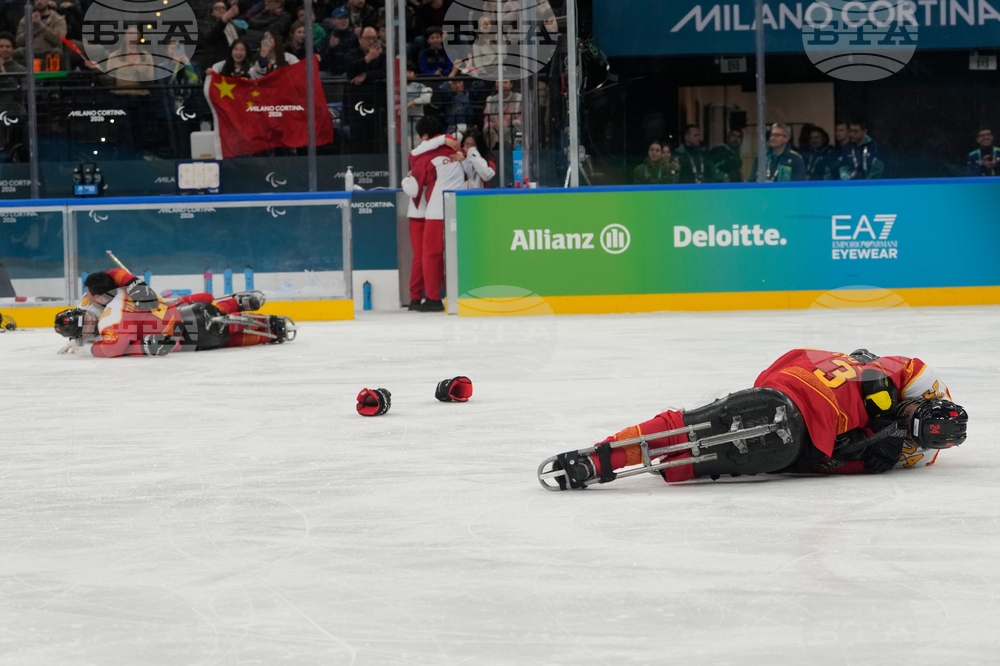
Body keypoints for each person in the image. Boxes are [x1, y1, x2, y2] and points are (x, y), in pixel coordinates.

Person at [542, 349, 968, 491]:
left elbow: (855, 462)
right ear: (925, 402)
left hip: (795, 410)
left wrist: (831, 460)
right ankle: (612, 453)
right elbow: (875, 373)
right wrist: (881, 422)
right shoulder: (923, 380)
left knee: (703, 439)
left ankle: (620, 458)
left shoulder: (917, 454)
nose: (908, 415)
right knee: (699, 428)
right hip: (800, 399)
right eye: (914, 412)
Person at [54, 269, 293, 357]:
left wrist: (88, 348)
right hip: (184, 311)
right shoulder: (116, 294)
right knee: (196, 306)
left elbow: (115, 347)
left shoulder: (109, 325)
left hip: (186, 337)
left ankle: (262, 334)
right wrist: (134, 282)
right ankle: (236, 303)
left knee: (224, 339)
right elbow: (115, 274)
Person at [400, 116, 465, 312]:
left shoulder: (423, 158)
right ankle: (457, 294)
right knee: (456, 254)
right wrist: (445, 139)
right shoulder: (456, 149)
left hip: (436, 209)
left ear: (425, 137)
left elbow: (412, 158)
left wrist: (405, 180)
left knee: (430, 255)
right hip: (461, 205)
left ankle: (433, 298)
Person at [197, 0, 244, 73]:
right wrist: (223, 20)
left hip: (233, 63)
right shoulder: (205, 24)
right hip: (215, 63)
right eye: (217, 8)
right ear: (211, 12)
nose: (221, 10)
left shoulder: (233, 26)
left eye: (223, 8)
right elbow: (210, 36)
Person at [483, 79, 522, 150]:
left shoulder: (518, 98)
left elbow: (521, 120)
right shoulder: (491, 100)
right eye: (499, 82)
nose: (502, 85)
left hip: (512, 129)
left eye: (505, 82)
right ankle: (493, 154)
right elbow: (487, 120)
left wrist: (507, 123)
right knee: (491, 132)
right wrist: (491, 125)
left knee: (503, 130)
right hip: (494, 129)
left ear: (511, 85)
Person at [324, 6, 358, 76]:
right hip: (331, 71)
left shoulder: (354, 37)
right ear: (333, 20)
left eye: (345, 18)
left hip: (348, 71)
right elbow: (323, 61)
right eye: (340, 18)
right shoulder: (327, 37)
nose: (344, 21)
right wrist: (331, 48)